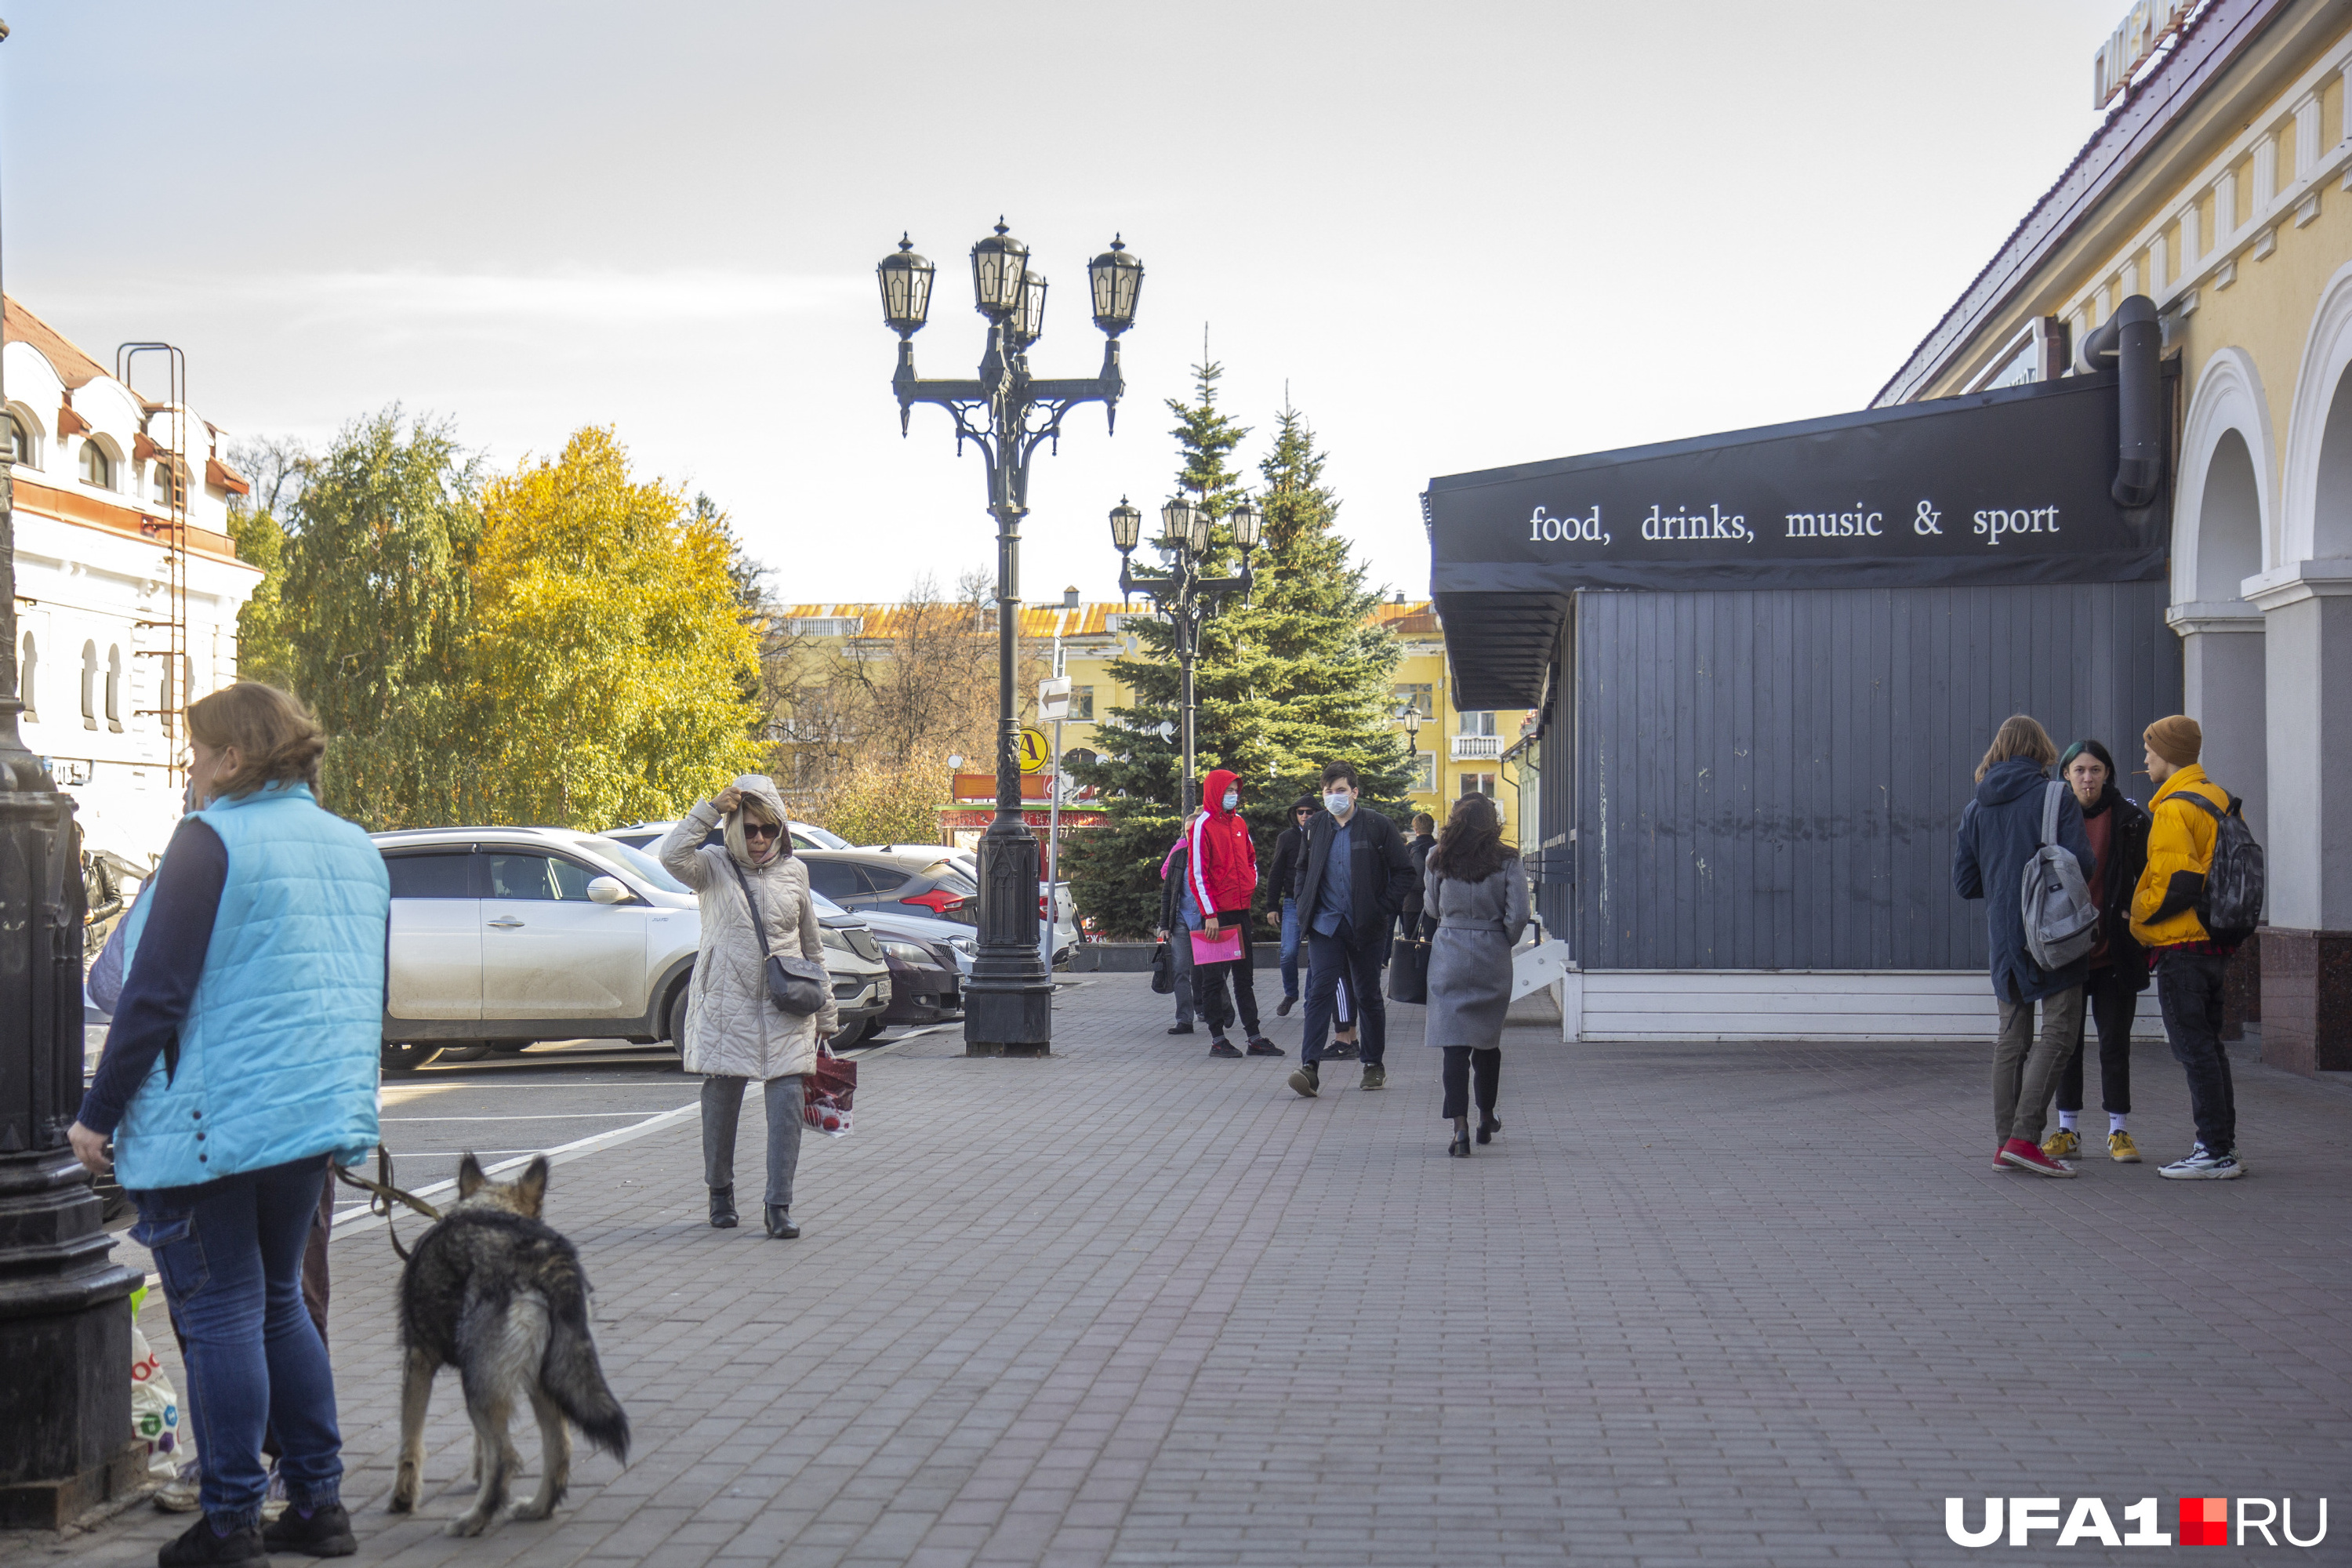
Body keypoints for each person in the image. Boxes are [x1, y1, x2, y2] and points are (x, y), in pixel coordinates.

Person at [67, 682, 387, 1566]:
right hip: (308, 1120)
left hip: (210, 1124)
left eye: (200, 749)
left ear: (236, 757)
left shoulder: (208, 842)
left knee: (220, 1315)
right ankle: (320, 1504)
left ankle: (233, 1516)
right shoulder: (352, 846)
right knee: (281, 1301)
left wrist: (97, 1116)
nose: (192, 763)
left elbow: (153, 993)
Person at [660, 775, 839, 1237]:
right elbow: (670, 856)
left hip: (786, 1007)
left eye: (769, 829)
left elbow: (812, 948)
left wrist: (827, 1013)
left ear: (781, 830)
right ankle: (720, 1193)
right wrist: (710, 809)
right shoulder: (712, 866)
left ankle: (778, 1206)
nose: (759, 839)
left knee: (786, 1107)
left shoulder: (795, 873)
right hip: (726, 1005)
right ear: (734, 828)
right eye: (750, 829)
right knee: (720, 1105)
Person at [1953, 713, 2095, 1178]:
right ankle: (2024, 1137)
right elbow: (2083, 867)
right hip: (2053, 936)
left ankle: (2005, 1144)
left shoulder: (1976, 808)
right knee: (2059, 1032)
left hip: (2005, 940)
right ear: (2041, 749)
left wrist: (2004, 881)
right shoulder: (2056, 797)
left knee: (2011, 1039)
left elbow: (1965, 882)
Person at [2129, 715, 2249, 1180]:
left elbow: (2175, 881)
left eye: (2151, 749)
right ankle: (2224, 1146)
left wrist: (2136, 917)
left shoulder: (2174, 809)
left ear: (2171, 753)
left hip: (2182, 944)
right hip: (2215, 943)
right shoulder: (2219, 798)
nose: (2145, 758)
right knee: (2210, 1048)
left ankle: (2213, 1151)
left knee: (2193, 1049)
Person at [2040, 739, 2151, 1165]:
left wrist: (2132, 912)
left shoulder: (2129, 818)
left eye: (2096, 770)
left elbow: (2149, 873)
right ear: (2065, 774)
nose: (2088, 778)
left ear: (2108, 774)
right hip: (2067, 949)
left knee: (2114, 1042)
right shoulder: (2052, 817)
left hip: (2115, 949)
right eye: (2080, 770)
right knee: (2065, 1042)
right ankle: (2067, 1130)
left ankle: (2118, 1131)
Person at [1287, 762, 1417, 1097]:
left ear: (1355, 792)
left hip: (1366, 926)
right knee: (1318, 994)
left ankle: (1373, 1065)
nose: (1334, 797)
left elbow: (1404, 873)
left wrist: (1381, 907)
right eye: (1328, 792)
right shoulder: (1315, 826)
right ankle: (1310, 1067)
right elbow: (1303, 868)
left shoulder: (1377, 825)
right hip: (1325, 925)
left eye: (1340, 790)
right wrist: (1304, 905)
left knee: (1368, 994)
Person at [1421, 795, 1530, 1156]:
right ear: (1492, 820)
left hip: (1450, 950)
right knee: (1487, 1043)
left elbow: (1433, 908)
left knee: (1453, 1046)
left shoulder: (1438, 857)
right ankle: (1486, 1117)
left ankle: (1460, 1129)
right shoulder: (1507, 859)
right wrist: (1502, 942)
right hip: (1491, 953)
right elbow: (1518, 916)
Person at [1186, 768, 1279, 1058]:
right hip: (1217, 916)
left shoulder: (1240, 822)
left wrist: (1251, 884)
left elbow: (1251, 860)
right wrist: (1210, 914)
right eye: (1227, 790)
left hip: (1240, 910)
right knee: (1214, 980)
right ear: (1215, 792)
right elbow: (1197, 875)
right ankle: (1217, 1039)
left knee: (1244, 978)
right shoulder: (1202, 825)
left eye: (1235, 790)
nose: (1232, 795)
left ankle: (1254, 1036)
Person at [1262, 797, 1318, 1014]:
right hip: (1292, 902)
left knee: (1317, 954)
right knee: (1287, 952)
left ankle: (1310, 999)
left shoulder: (1324, 835)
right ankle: (1291, 993)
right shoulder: (1286, 838)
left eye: (1309, 812)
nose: (1304, 816)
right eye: (1300, 812)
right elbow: (1275, 873)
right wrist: (1271, 907)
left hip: (1318, 903)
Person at [1157, 823, 1203, 1036]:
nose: (1190, 835)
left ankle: (1216, 1009)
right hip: (1181, 921)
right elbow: (1168, 893)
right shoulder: (1178, 856)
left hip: (1206, 921)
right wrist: (1165, 925)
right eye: (1187, 831)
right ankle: (1185, 1019)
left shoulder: (1211, 855)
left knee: (1209, 972)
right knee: (1180, 969)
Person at [1399, 812, 1436, 946]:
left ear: (1415, 829)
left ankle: (1410, 966)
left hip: (1411, 900)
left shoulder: (1409, 848)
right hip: (1434, 901)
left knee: (1410, 941)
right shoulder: (1440, 849)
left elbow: (1401, 873)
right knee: (1431, 942)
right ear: (1432, 828)